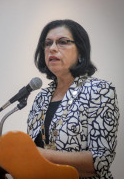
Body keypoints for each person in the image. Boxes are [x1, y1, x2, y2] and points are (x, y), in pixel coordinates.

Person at [27, 19, 119, 179]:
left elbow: (100, 161)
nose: (52, 48)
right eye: (47, 43)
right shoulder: (41, 97)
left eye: (62, 42)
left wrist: (38, 153)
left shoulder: (100, 91)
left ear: (81, 52)